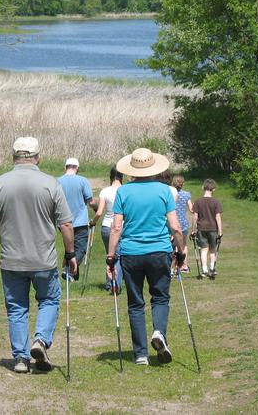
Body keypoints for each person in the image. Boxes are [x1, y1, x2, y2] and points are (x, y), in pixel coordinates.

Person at [0, 137, 77, 374]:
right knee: (49, 300)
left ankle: (21, 358)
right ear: (38, 157)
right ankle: (40, 340)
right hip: (44, 259)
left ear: (14, 157)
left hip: (12, 260)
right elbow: (65, 224)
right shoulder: (51, 184)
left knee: (16, 308)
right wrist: (70, 253)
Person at [106, 148, 187, 366]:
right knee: (160, 297)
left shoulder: (123, 192)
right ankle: (159, 332)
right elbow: (175, 226)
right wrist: (181, 251)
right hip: (159, 251)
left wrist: (111, 256)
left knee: (135, 303)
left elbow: (116, 227)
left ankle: (141, 354)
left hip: (131, 253)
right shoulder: (164, 191)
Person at [58, 157, 97, 278]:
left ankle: (73, 275)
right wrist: (97, 209)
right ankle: (69, 270)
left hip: (63, 222)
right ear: (77, 168)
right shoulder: (82, 180)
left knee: (69, 248)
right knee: (81, 248)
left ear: (65, 167)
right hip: (80, 222)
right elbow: (90, 201)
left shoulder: (57, 181)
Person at [89, 166, 124, 292]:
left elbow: (99, 212)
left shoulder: (105, 191)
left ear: (111, 176)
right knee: (119, 256)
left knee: (110, 255)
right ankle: (116, 282)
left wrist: (92, 222)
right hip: (121, 226)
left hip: (106, 227)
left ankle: (110, 283)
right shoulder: (124, 190)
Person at [192, 178, 223, 280]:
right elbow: (218, 217)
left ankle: (204, 270)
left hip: (201, 228)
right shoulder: (216, 202)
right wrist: (220, 231)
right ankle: (212, 268)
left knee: (204, 250)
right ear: (214, 189)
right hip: (213, 228)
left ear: (203, 188)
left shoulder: (198, 201)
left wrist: (193, 230)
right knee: (212, 249)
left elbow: (195, 216)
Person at [171, 175, 193, 273]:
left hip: (172, 222)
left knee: (172, 246)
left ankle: (171, 267)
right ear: (182, 184)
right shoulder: (186, 194)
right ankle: (184, 265)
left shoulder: (171, 194)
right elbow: (191, 209)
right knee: (183, 245)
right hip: (183, 224)